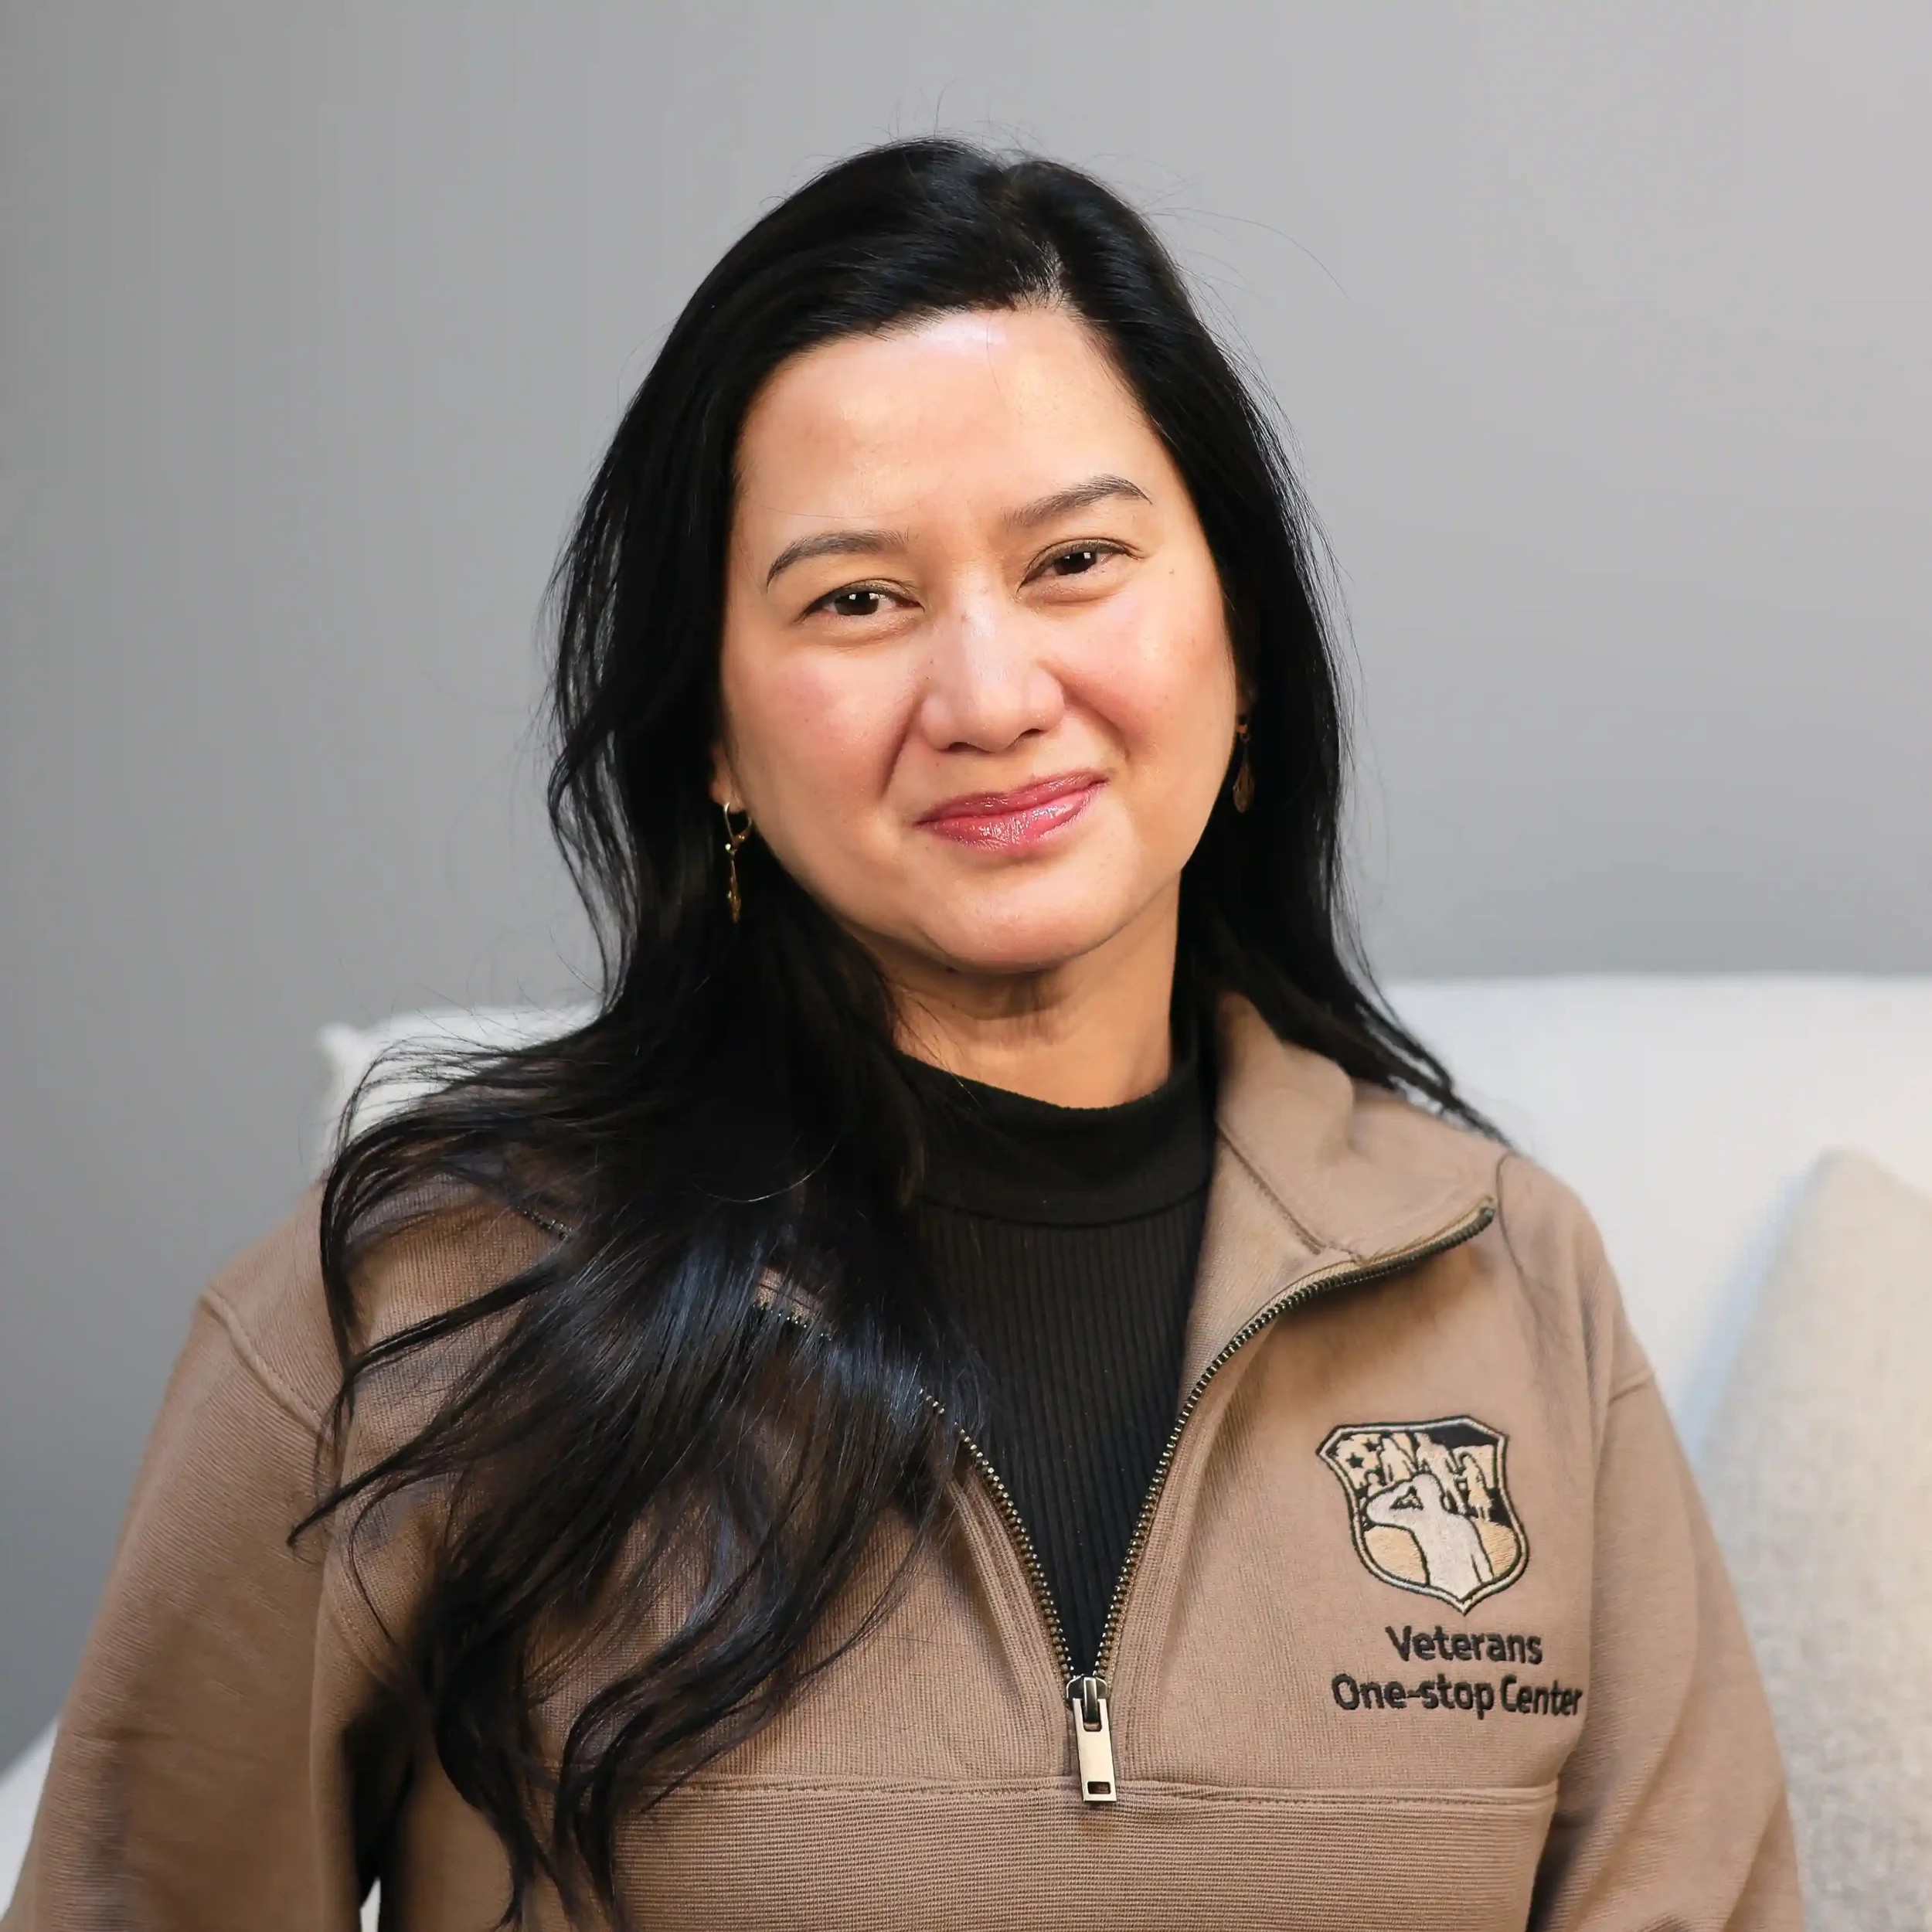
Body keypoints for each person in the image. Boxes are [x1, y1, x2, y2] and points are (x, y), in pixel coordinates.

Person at [4, 140, 1797, 1930]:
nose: (991, 696)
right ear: (706, 728)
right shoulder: (414, 1310)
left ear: (1236, 639)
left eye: (1075, 559)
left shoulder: (1508, 1288)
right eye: (855, 597)